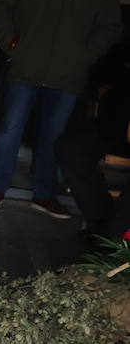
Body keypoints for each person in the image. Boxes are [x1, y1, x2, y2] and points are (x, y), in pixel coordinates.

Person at [0, 0, 120, 215]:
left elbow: (111, 27)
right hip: (25, 67)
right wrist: (11, 45)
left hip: (68, 75)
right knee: (9, 131)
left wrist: (84, 57)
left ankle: (44, 194)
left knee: (54, 136)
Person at [56, 47, 130, 244]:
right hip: (117, 124)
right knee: (71, 147)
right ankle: (101, 224)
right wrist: (102, 87)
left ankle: (111, 240)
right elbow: (108, 64)